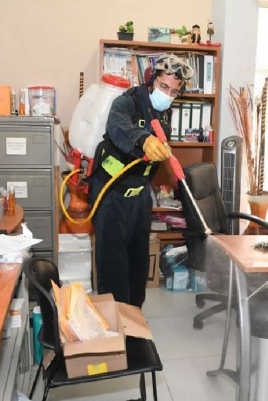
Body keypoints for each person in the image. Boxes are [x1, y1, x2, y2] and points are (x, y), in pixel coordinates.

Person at [89, 54, 193, 307]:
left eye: (174, 92)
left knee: (138, 261)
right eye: (163, 86)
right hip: (110, 192)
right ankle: (116, 320)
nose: (167, 95)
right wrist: (142, 139)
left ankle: (134, 317)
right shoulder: (126, 101)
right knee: (113, 263)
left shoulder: (164, 112)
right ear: (151, 80)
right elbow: (117, 126)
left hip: (139, 194)